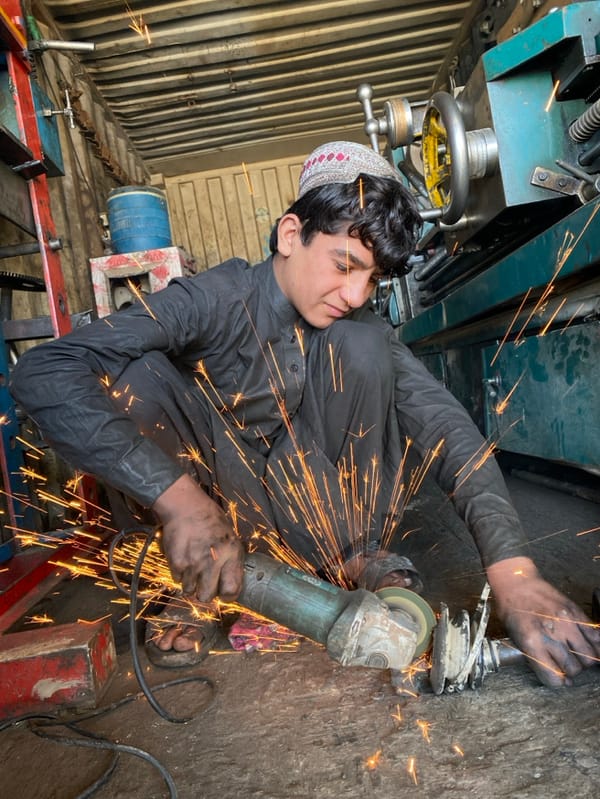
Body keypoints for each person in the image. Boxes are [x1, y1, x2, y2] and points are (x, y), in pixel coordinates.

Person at [10, 141, 599, 685]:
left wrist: (515, 576)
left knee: (364, 346)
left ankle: (359, 558)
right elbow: (43, 372)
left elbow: (450, 432)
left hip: (334, 519)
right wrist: (177, 499)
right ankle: (198, 584)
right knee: (135, 377)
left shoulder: (362, 328)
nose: (355, 294)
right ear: (290, 233)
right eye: (344, 265)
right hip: (226, 525)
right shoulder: (212, 299)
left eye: (373, 278)